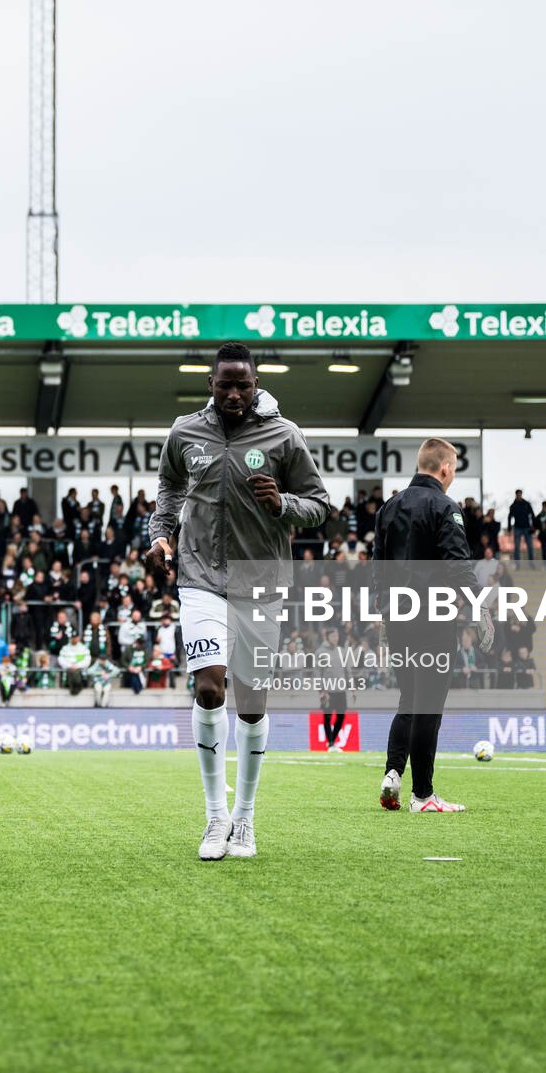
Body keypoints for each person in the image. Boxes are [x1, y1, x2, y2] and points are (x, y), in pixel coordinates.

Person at [147, 342, 331, 861]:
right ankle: (215, 817)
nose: (233, 393)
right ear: (211, 384)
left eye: (242, 385)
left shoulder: (284, 435)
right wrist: (161, 533)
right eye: (225, 384)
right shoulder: (185, 432)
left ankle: (245, 818)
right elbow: (169, 487)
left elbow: (319, 504)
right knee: (209, 687)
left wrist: (283, 503)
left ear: (255, 386)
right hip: (200, 576)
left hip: (261, 583)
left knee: (251, 701)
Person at [371, 439, 486, 813]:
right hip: (433, 617)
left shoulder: (388, 508)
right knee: (429, 705)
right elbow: (458, 563)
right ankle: (422, 795)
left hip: (398, 617)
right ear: (446, 468)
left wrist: (384, 614)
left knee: (408, 699)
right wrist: (480, 609)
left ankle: (393, 773)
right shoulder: (445, 506)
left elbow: (378, 569)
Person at [507, 490, 535, 563]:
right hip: (517, 527)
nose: (519, 496)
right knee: (516, 547)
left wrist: (533, 526)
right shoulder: (513, 506)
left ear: (521, 494)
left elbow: (532, 514)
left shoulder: (527, 504)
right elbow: (509, 517)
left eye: (520, 494)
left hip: (527, 527)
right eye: (518, 494)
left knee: (530, 546)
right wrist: (509, 528)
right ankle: (517, 564)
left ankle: (531, 563)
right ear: (516, 495)